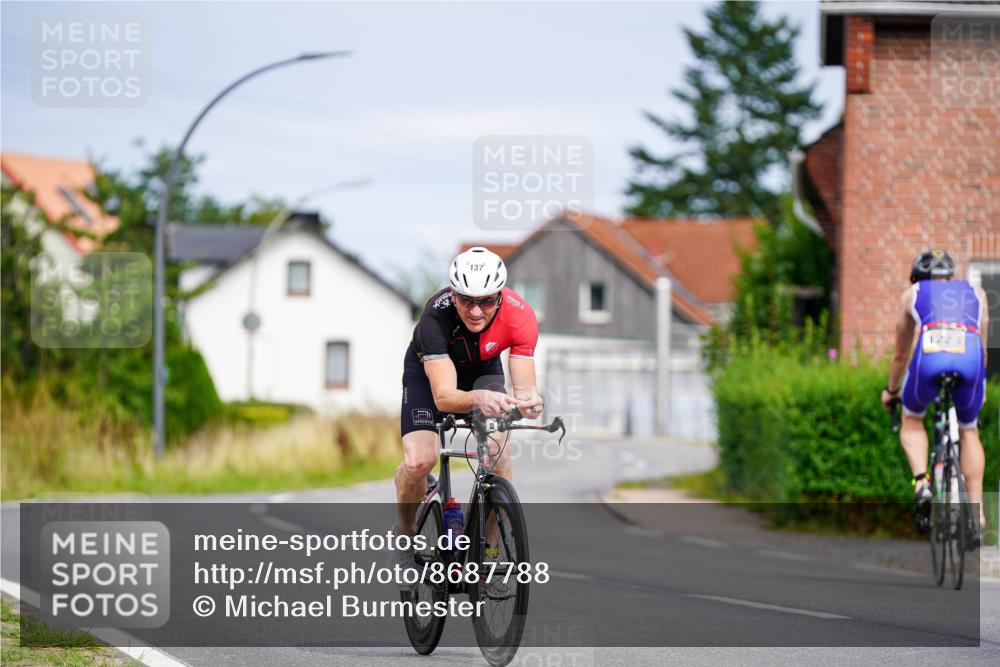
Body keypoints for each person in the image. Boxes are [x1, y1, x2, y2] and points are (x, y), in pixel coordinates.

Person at [390, 247, 543, 589]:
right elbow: (444, 396)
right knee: (420, 461)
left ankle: (486, 554)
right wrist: (480, 399)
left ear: (500, 296)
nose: (476, 311)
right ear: (454, 295)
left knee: (499, 455)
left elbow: (524, 387)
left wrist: (530, 402)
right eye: (466, 300)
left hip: (482, 370)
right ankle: (406, 534)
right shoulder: (435, 316)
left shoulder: (521, 317)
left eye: (487, 301)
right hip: (428, 373)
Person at [880, 250, 988, 546]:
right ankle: (977, 517)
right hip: (970, 358)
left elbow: (901, 354)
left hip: (930, 358)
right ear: (950, 276)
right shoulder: (976, 291)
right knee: (969, 430)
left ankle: (922, 484)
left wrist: (890, 391)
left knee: (912, 418)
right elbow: (983, 346)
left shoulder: (912, 294)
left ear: (917, 277)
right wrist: (980, 389)